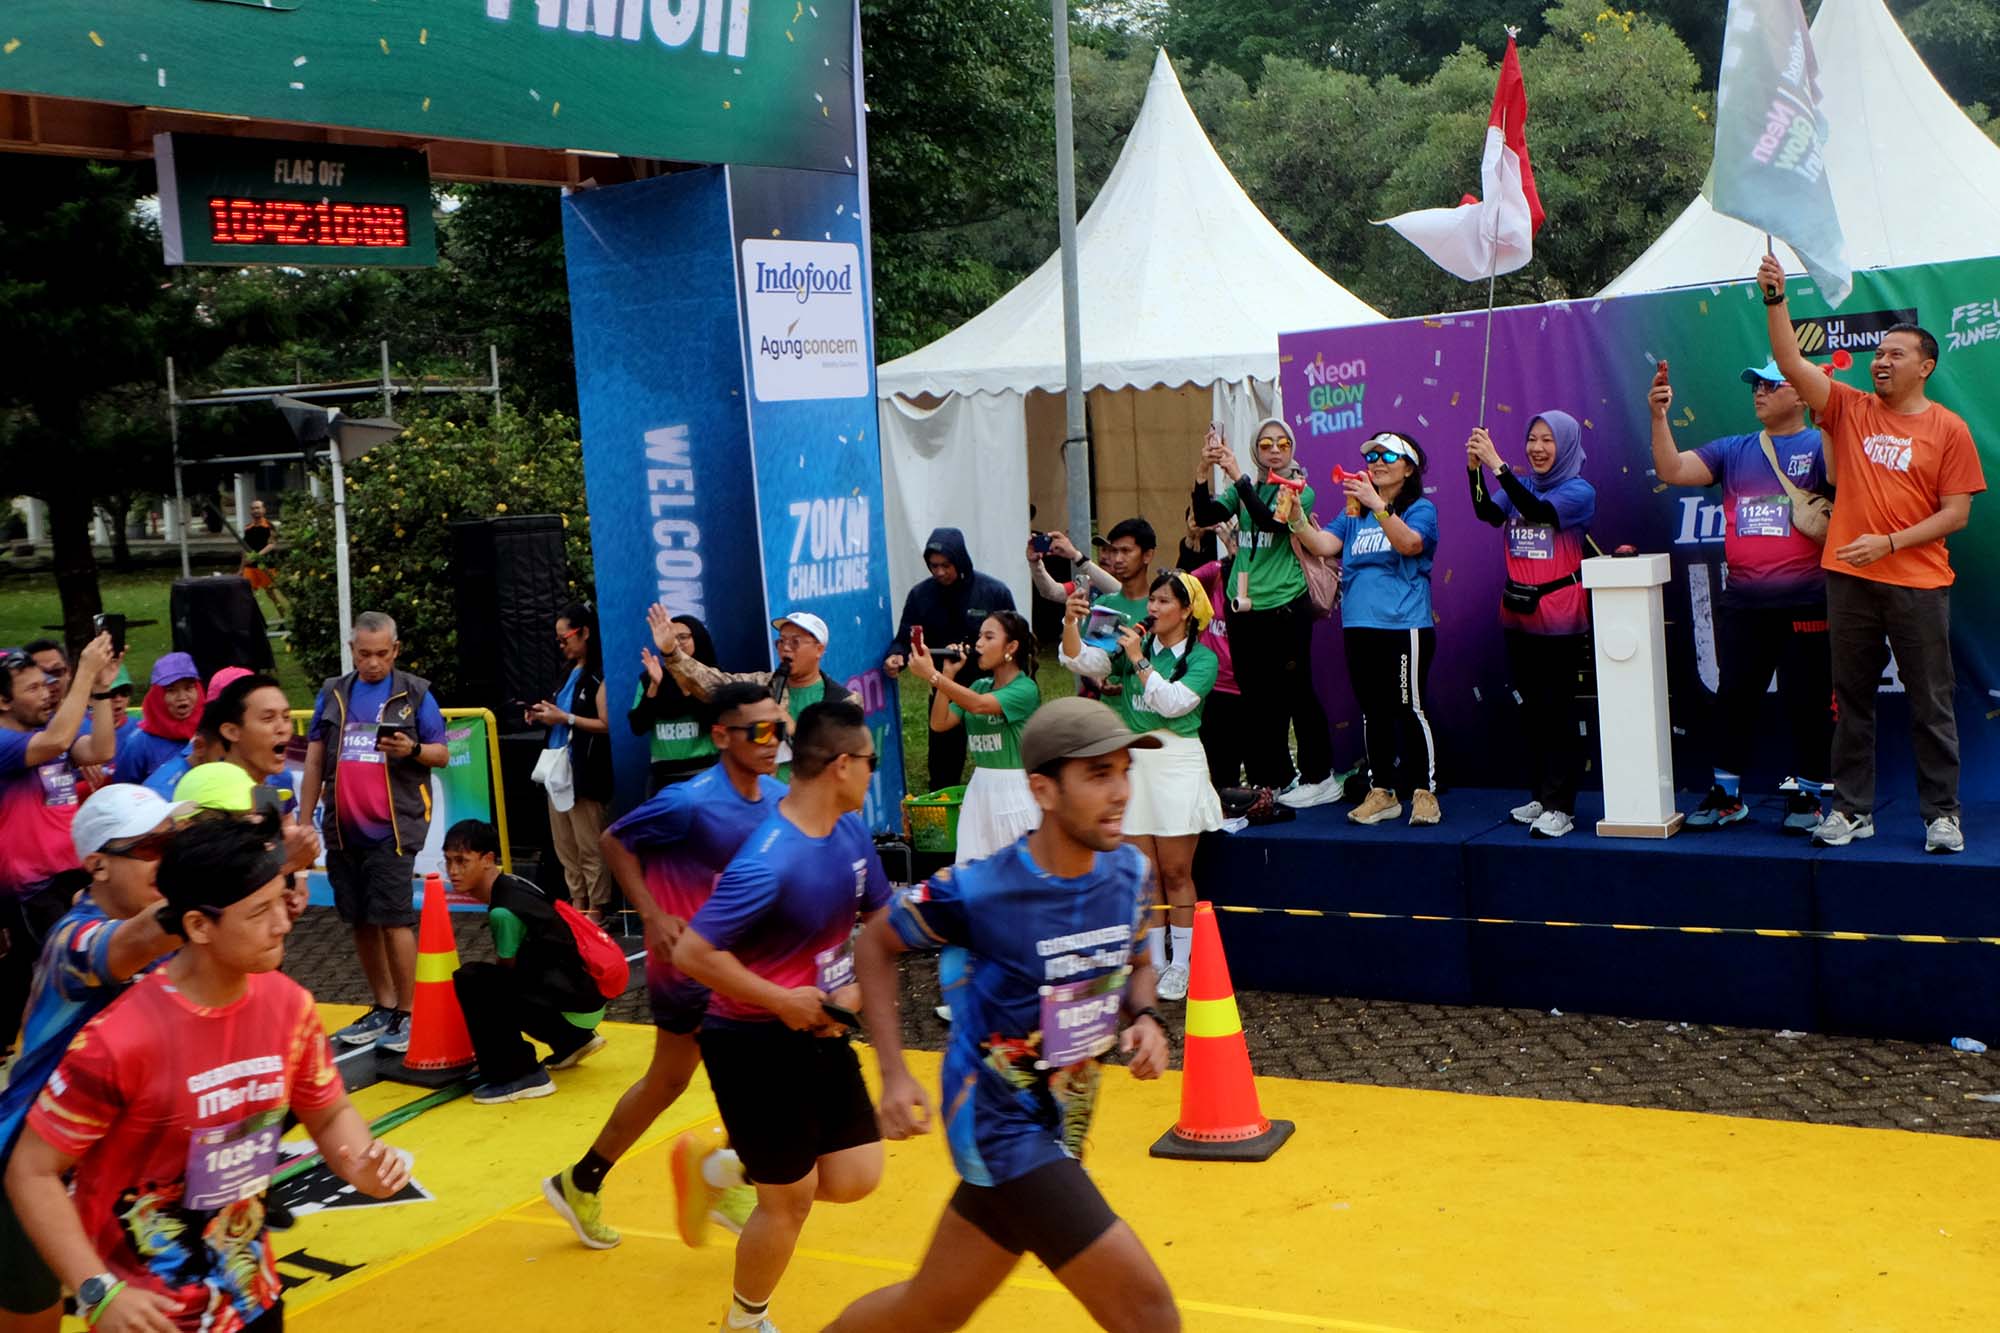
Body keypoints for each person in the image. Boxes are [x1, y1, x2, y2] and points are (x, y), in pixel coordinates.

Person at [825, 696, 1176, 1333]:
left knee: (927, 1312)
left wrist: (1147, 1017)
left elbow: (1137, 963)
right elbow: (874, 942)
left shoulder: (1129, 872)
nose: (1121, 792)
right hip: (998, 1126)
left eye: (1125, 771)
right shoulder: (980, 889)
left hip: (1063, 1125)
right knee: (1149, 1314)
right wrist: (894, 1074)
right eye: (1099, 775)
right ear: (1043, 790)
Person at [4, 817, 411, 1333]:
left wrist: (360, 1163)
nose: (283, 925)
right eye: (259, 912)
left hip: (252, 1297)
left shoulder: (290, 1007)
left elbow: (328, 1113)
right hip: (151, 1316)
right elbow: (31, 1172)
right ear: (198, 926)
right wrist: (98, 1291)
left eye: (281, 902)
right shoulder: (118, 1041)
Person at [669, 701, 890, 1333]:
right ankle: (746, 1320)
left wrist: (854, 987)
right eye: (870, 761)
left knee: (855, 1175)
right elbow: (692, 953)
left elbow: (879, 915)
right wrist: (780, 999)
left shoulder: (850, 832)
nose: (872, 772)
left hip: (820, 1028)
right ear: (842, 765)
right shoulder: (769, 859)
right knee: (789, 1200)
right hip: (750, 1040)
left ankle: (720, 1167)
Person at [540, 682, 784, 1250]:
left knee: (671, 1080)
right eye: (760, 730)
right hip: (689, 969)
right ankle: (727, 1175)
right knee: (756, 1075)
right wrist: (651, 914)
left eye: (780, 728)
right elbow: (614, 841)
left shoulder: (777, 798)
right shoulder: (688, 801)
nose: (773, 741)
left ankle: (582, 1181)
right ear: (721, 736)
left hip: (736, 964)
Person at [1758, 255, 1985, 852]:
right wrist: (1776, 299)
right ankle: (1852, 810)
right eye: (1878, 353)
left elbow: (1956, 514)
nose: (1881, 361)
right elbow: (1790, 363)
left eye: (1895, 354)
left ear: (1925, 367)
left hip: (1919, 582)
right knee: (1851, 699)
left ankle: (1942, 815)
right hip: (1848, 580)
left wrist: (1889, 542)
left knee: (1931, 702)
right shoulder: (1850, 408)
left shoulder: (1949, 429)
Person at [0, 786, 187, 1333]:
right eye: (150, 847)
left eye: (173, 844)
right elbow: (136, 941)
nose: (167, 859)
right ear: (97, 864)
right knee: (34, 1320)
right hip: (31, 1166)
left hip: (125, 1169)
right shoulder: (73, 939)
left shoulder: (174, 936)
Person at [1651, 355, 1833, 832]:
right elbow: (1672, 469)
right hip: (1744, 603)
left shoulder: (1819, 446)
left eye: (1771, 385)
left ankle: (1810, 796)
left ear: (1801, 394)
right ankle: (1727, 796)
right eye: (1755, 385)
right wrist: (1659, 416)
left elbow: (1841, 482)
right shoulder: (1733, 450)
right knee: (1733, 697)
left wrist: (1828, 415)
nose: (1759, 392)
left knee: (1808, 701)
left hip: (1807, 601)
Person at [1061, 572, 1223, 1003]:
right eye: (1151, 600)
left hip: (1177, 763)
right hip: (1136, 762)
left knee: (1176, 872)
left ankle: (1182, 963)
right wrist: (1071, 623)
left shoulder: (1202, 659)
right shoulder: (1133, 644)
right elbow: (1081, 661)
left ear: (1186, 611)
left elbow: (1172, 704)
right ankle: (1153, 961)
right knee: (1145, 874)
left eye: (1164, 601)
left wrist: (1137, 658)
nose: (1152, 608)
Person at [297, 613, 447, 1053]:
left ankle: (410, 1012)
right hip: (343, 828)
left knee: (394, 918)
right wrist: (304, 821)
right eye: (365, 654)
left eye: (382, 653)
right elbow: (313, 759)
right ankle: (384, 1004)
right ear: (352, 650)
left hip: (392, 829)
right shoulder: (333, 692)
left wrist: (412, 749)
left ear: (395, 650)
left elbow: (441, 753)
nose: (374, 662)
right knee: (359, 918)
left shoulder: (415, 693)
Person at [1294, 432, 1442, 826]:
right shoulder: (1354, 512)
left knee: (1409, 708)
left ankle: (1424, 792)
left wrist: (1378, 505)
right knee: (1373, 711)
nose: (1376, 462)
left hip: (1404, 625)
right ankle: (1382, 792)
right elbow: (1323, 544)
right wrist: (1295, 518)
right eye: (1372, 456)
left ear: (1408, 468)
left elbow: (1410, 544)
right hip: (1359, 625)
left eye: (1387, 456)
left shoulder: (1421, 509)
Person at [1191, 419, 1341, 809]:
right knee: (1257, 698)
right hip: (1244, 607)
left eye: (1282, 443)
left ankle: (1319, 775)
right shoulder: (1246, 488)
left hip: (1285, 605)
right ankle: (1274, 778)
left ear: (1292, 448)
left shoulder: (1299, 488)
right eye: (1266, 444)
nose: (1275, 450)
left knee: (1297, 692)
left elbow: (1270, 523)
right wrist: (1203, 470)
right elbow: (1205, 515)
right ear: (1256, 449)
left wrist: (1237, 475)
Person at [1468, 411, 1598, 840]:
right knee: (1534, 712)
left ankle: (1562, 807)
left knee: (1559, 711)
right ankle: (1541, 797)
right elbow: (1488, 512)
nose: (1537, 448)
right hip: (1517, 613)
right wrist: (1474, 471)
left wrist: (1498, 466)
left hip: (1560, 617)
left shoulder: (1578, 491)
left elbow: (1539, 513)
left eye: (1548, 440)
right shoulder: (1521, 485)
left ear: (1566, 445)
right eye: (1532, 439)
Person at [910, 610, 1044, 1024]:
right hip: (981, 792)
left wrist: (936, 677)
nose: (979, 643)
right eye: (979, 636)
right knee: (972, 889)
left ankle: (1026, 988)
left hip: (1014, 793)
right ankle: (973, 988)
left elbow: (982, 707)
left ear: (1012, 647)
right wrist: (948, 676)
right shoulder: (979, 684)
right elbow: (940, 722)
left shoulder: (1024, 690)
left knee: (1018, 892)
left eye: (989, 637)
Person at [0, 633, 120, 1052]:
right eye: (32, 688)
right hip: (31, 891)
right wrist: (84, 671)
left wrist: (100, 689)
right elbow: (55, 741)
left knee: (67, 974)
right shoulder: (7, 743)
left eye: (47, 684)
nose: (46, 693)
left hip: (72, 876)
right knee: (76, 973)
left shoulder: (49, 738)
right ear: (3, 701)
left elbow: (102, 748)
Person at [443, 820, 608, 1105]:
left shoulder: (503, 911)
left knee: (473, 980)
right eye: (448, 861)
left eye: (462, 861)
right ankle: (571, 1041)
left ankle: (520, 1074)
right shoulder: (515, 884)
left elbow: (505, 975)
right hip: (583, 997)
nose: (453, 871)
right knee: (501, 981)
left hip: (573, 1003)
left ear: (487, 859)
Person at [650, 604, 863, 779]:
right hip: (769, 801)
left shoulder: (842, 702)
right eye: (781, 641)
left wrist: (793, 729)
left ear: (819, 649)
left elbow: (842, 764)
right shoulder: (763, 686)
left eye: (795, 642)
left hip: (816, 807)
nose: (785, 647)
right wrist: (672, 653)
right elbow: (714, 684)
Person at [884, 528, 1019, 792]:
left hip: (990, 689)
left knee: (1003, 762)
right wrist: (895, 655)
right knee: (942, 769)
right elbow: (904, 637)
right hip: (944, 687)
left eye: (946, 565)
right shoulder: (920, 595)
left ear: (961, 560)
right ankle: (943, 812)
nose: (940, 572)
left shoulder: (993, 592)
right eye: (933, 566)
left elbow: (1017, 641)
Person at [526, 602, 616, 924]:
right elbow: (561, 715)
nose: (561, 645)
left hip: (584, 770)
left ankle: (598, 906)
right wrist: (542, 715)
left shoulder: (599, 675)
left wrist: (566, 718)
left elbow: (606, 724)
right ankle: (578, 900)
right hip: (557, 767)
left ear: (585, 633)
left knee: (588, 843)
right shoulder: (568, 672)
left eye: (565, 639)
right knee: (565, 844)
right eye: (558, 640)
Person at [629, 613, 720, 795]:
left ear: (698, 638)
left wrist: (687, 686)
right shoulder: (650, 677)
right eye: (672, 638)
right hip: (663, 777)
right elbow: (638, 726)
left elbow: (712, 722)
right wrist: (654, 686)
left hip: (704, 773)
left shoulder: (713, 677)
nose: (677, 643)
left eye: (683, 637)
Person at [113, 653, 203, 787]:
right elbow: (122, 792)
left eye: (189, 688)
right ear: (157, 696)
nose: (182, 697)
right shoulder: (139, 744)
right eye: (171, 690)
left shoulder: (210, 733)